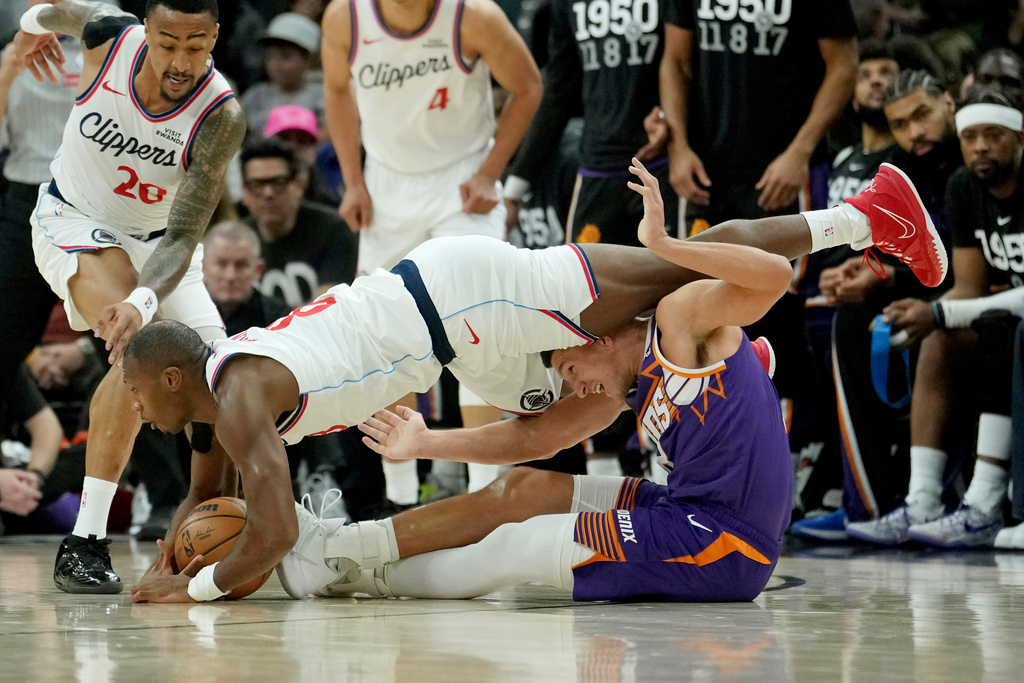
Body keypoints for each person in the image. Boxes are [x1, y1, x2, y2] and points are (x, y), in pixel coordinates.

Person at [123, 158, 947, 603]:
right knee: (532, 461)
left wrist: (193, 588)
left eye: (133, 396)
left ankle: (867, 214)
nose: (566, 372)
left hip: (462, 295)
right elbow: (534, 438)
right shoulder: (226, 402)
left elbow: (260, 531)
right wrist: (427, 441)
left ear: (170, 378)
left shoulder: (239, 391)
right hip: (458, 332)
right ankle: (355, 555)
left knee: (677, 264)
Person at [297, 159, 792, 602]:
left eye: (568, 370)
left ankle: (344, 575)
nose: (575, 388)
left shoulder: (680, 320)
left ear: (593, 336)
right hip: (686, 508)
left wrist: (664, 246)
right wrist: (427, 441)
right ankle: (341, 546)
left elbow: (774, 276)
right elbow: (535, 437)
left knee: (519, 546)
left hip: (723, 541)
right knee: (521, 491)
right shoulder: (623, 383)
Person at [14, 0, 245, 594]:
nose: (180, 60)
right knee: (135, 347)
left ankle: (219, 530)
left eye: (196, 45)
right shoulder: (107, 36)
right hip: (75, 220)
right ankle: (85, 541)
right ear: (146, 31)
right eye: (167, 42)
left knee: (230, 381)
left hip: (164, 250)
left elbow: (186, 234)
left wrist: (145, 296)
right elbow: (52, 11)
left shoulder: (220, 114)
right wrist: (25, 33)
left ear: (214, 37)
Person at [321, 0, 543, 506]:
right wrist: (352, 182)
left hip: (462, 184)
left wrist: (491, 173)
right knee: (387, 341)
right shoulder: (344, 18)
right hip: (385, 190)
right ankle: (399, 500)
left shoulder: (475, 16)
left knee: (482, 335)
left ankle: (485, 498)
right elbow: (336, 91)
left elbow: (529, 86)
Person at [846, 86, 1024, 548]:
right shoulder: (964, 186)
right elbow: (968, 285)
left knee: (1001, 334)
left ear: (1019, 138)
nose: (980, 146)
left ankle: (984, 505)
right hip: (1001, 311)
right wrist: (931, 315)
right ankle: (921, 500)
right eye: (971, 137)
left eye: (993, 135)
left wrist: (942, 311)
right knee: (940, 340)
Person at [239, 138, 358, 308]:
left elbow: (327, 308)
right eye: (257, 184)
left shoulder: (332, 229)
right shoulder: (235, 241)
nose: (268, 193)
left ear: (299, 184)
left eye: (278, 182)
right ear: (244, 191)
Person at [237, 11, 324, 138]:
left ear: (308, 60)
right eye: (271, 56)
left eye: (285, 56)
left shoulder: (321, 98)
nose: (276, 64)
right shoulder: (255, 97)